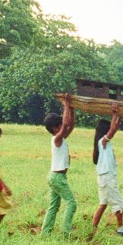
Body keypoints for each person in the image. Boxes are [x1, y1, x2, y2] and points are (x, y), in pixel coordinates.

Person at [41, 96, 77, 236]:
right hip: (58, 177)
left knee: (54, 206)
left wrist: (71, 109)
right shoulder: (57, 138)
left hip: (54, 176)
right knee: (71, 203)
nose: (64, 126)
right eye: (61, 126)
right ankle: (65, 233)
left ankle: (45, 233)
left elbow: (70, 124)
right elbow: (66, 122)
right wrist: (67, 104)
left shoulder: (59, 138)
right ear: (56, 128)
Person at [91, 104, 123, 235]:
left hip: (102, 177)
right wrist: (114, 113)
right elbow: (112, 130)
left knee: (103, 204)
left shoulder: (101, 143)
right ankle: (121, 228)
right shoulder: (103, 141)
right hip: (107, 177)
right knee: (119, 203)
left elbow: (114, 128)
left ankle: (93, 228)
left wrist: (119, 116)